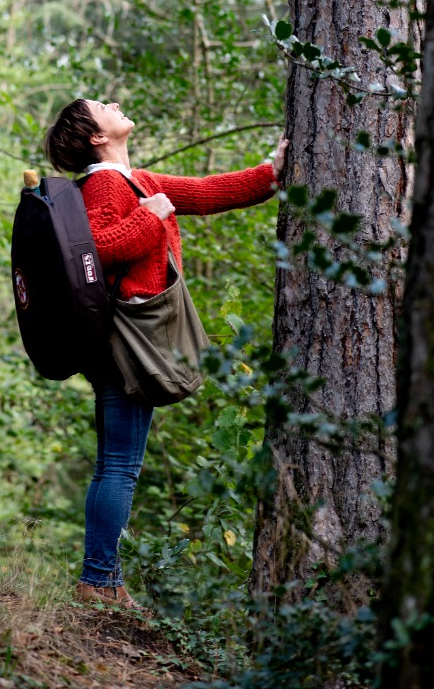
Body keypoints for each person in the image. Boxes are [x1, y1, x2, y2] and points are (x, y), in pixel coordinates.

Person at [44, 98, 288, 609]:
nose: (114, 103)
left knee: (113, 464)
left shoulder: (133, 180)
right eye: (101, 105)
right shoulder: (106, 184)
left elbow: (206, 192)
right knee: (120, 467)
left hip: (122, 338)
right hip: (129, 340)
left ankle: (102, 579)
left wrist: (273, 173)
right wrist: (150, 219)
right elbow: (96, 249)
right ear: (96, 136)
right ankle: (99, 581)